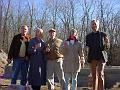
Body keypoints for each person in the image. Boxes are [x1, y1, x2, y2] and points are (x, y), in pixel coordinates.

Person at [86, 20, 110, 90]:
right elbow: (88, 48)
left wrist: (107, 43)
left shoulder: (103, 34)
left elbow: (107, 48)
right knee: (93, 76)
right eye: (93, 24)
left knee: (100, 74)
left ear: (98, 25)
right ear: (91, 26)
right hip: (92, 58)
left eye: (95, 24)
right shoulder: (88, 36)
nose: (94, 26)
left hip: (101, 58)